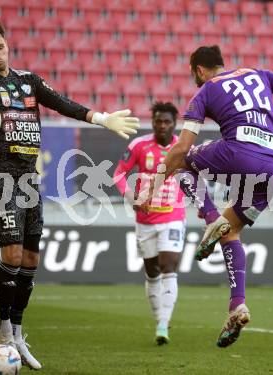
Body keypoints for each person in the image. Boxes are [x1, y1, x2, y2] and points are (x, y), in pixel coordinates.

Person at [0, 20, 139, 370]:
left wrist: (102, 118)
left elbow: (62, 103)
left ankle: (16, 331)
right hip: (0, 176)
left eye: (0, 46)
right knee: (12, 253)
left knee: (31, 259)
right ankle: (2, 328)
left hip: (30, 178)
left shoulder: (29, 80)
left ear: (7, 45)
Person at [142, 45, 273, 348]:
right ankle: (238, 305)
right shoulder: (258, 74)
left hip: (239, 152)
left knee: (182, 164)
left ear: (198, 69)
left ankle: (211, 219)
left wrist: (153, 187)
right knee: (232, 231)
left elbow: (181, 149)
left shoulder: (205, 92)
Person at [113, 102, 186, 345]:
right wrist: (132, 198)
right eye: (158, 121)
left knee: (169, 265)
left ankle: (164, 323)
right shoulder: (139, 145)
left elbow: (194, 177)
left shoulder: (183, 147)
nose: (162, 125)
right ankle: (158, 320)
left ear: (174, 124)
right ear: (152, 122)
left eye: (167, 121)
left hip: (173, 216)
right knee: (152, 271)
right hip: (145, 219)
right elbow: (119, 174)